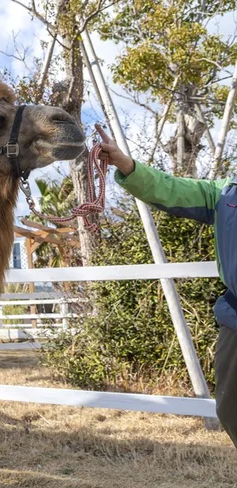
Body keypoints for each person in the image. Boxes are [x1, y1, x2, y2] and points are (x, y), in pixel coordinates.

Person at [96, 123, 237, 448]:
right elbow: (168, 188)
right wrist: (125, 164)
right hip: (236, 322)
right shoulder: (224, 194)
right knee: (231, 409)